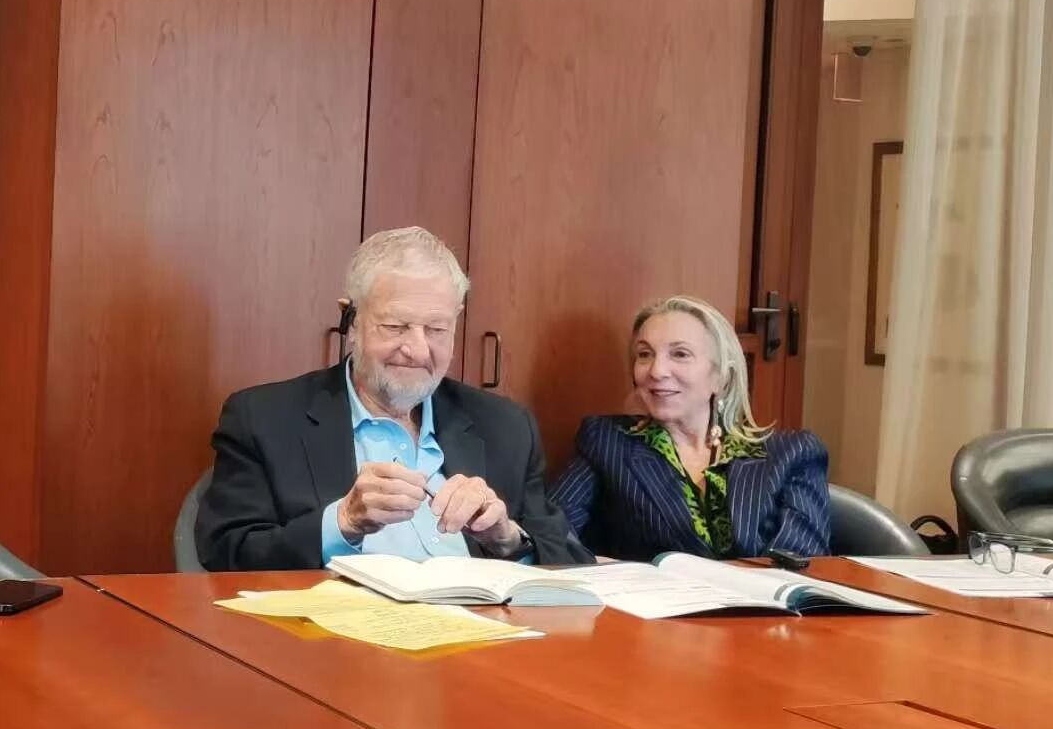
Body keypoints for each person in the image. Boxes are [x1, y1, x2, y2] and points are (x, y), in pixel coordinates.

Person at [195, 227, 588, 570]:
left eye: (437, 329)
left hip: (480, 628)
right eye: (396, 326)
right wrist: (343, 522)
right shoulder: (265, 419)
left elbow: (572, 559)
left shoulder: (506, 427)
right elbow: (225, 552)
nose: (417, 350)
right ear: (350, 320)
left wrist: (507, 539)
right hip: (334, 628)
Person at [553, 295, 828, 561]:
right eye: (645, 354)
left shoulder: (792, 453)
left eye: (680, 354)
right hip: (647, 594)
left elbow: (802, 564)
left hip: (762, 594)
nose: (657, 371)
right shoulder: (606, 441)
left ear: (721, 377)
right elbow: (551, 534)